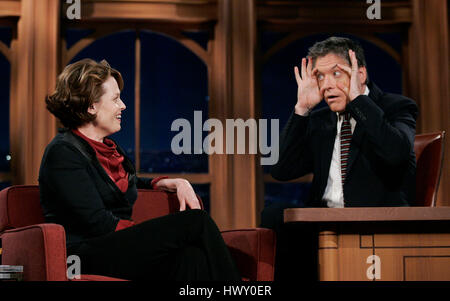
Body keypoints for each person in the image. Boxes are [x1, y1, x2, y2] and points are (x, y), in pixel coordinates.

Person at [39, 58, 241, 281]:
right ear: (91, 106)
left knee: (191, 257)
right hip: (82, 254)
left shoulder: (112, 150)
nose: (123, 105)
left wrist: (170, 182)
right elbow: (96, 221)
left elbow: (121, 181)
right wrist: (147, 235)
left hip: (114, 247)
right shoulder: (62, 153)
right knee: (196, 221)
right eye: (115, 99)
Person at [261, 36, 418, 280]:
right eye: (320, 76)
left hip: (376, 222)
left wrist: (358, 101)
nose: (326, 85)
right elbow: (282, 170)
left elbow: (396, 154)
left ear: (360, 74)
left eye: (336, 73)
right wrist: (302, 110)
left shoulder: (396, 107)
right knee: (274, 214)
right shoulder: (321, 121)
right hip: (322, 222)